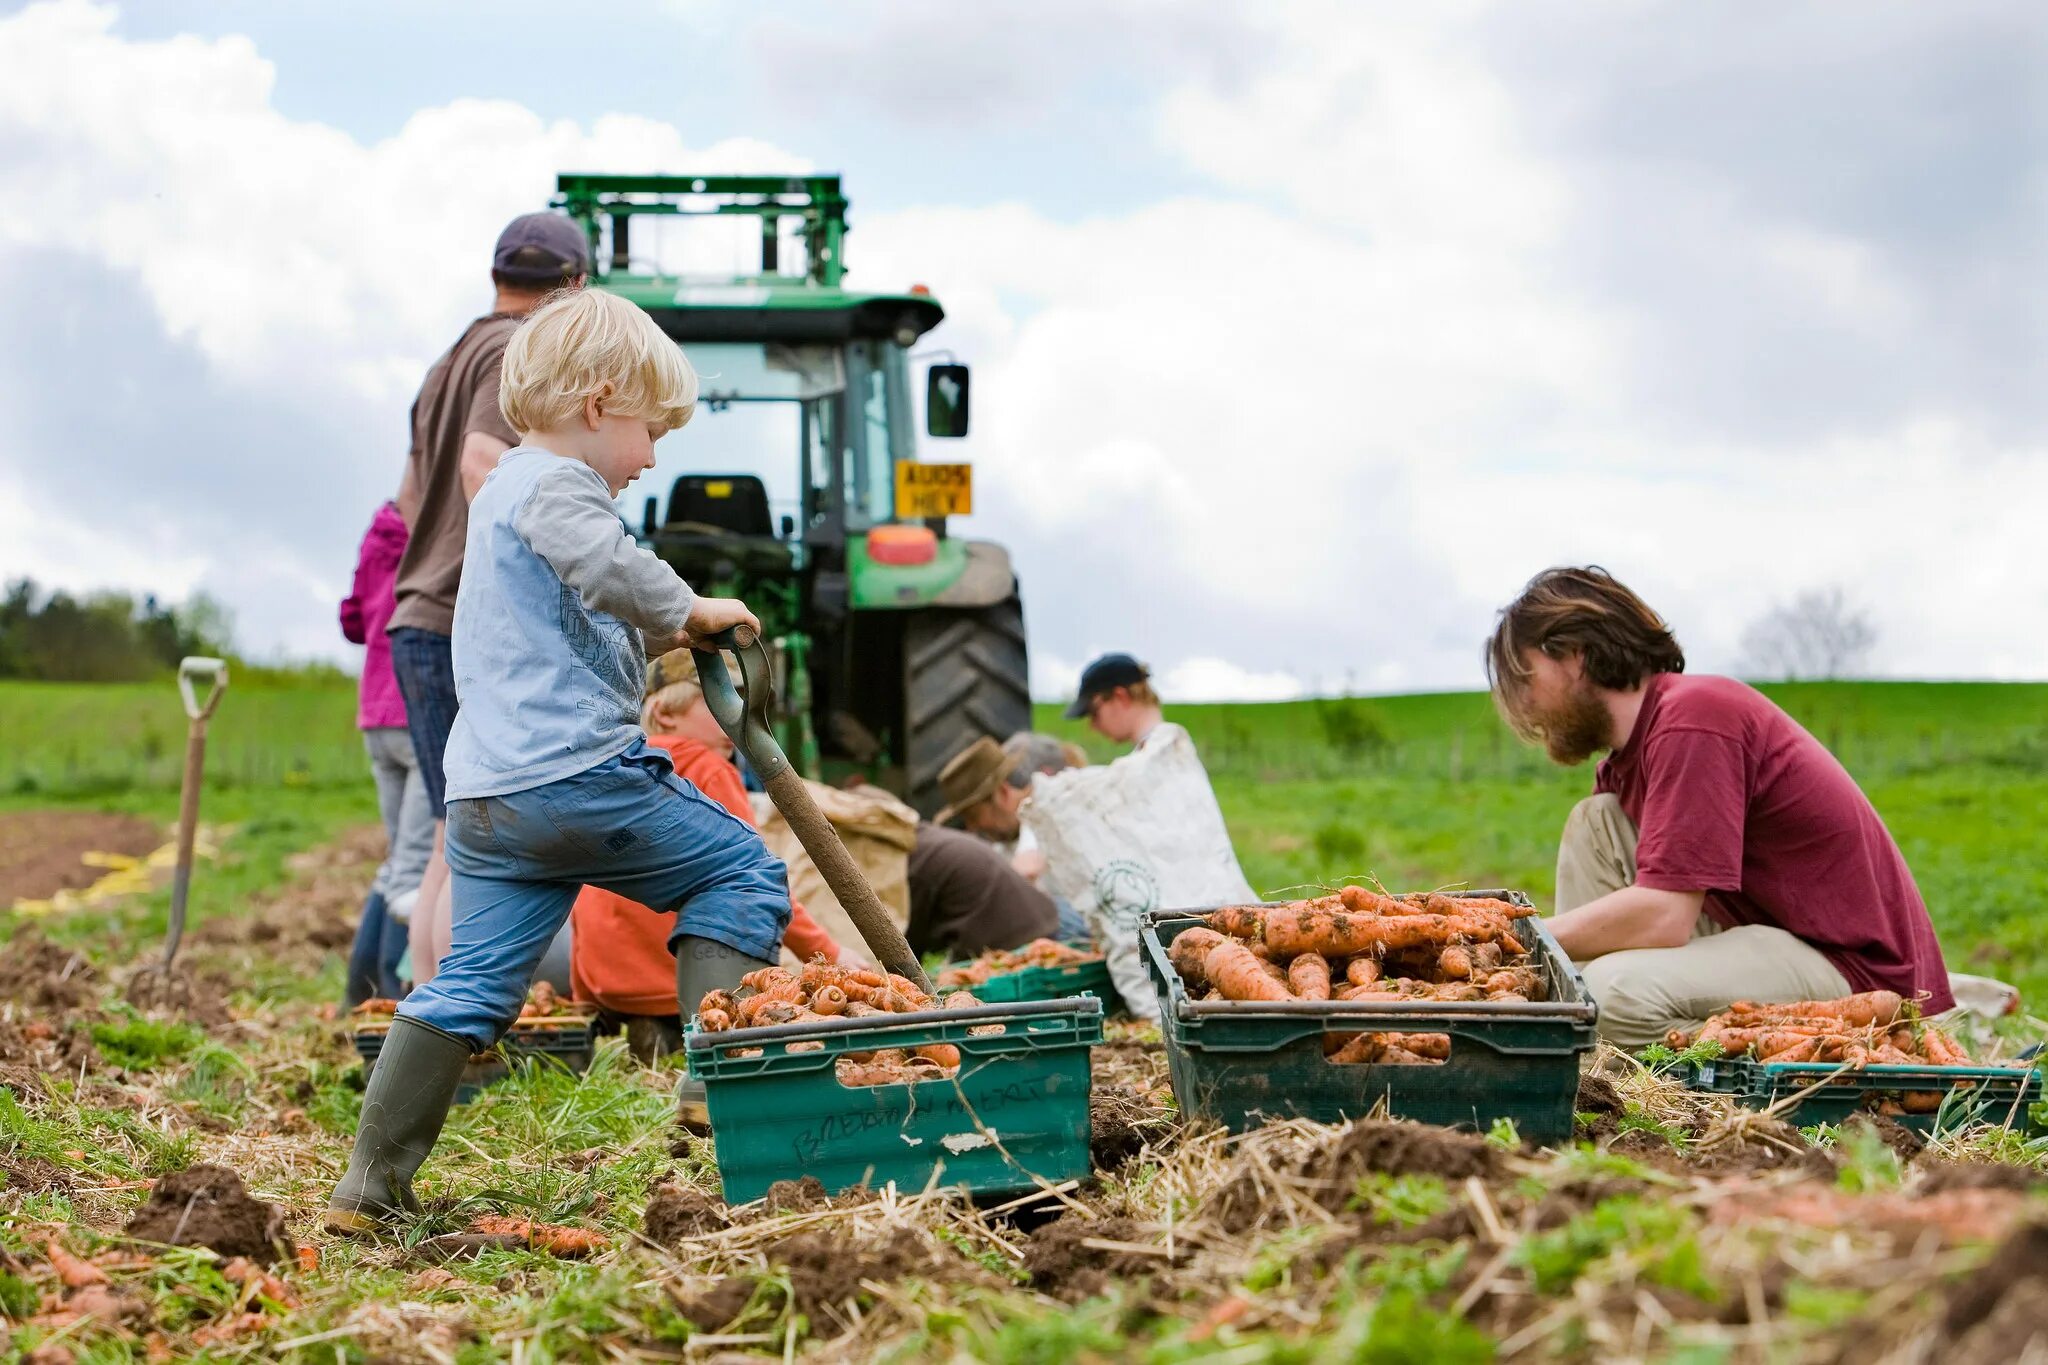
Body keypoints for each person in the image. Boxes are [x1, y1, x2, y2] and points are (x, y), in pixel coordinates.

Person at [326, 288, 780, 1234]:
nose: (652, 456)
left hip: (492, 801)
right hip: (576, 777)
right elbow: (608, 565)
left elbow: (572, 612)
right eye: (651, 430)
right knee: (743, 869)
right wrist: (692, 611)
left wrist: (653, 650)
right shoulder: (558, 486)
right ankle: (718, 1082)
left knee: (471, 983)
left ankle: (369, 1186)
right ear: (600, 401)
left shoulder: (499, 499)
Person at [1484, 566, 1953, 1048]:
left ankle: (1831, 1049)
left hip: (1848, 969)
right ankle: (1589, 1040)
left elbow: (1666, 915)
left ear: (1574, 656)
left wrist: (1517, 934)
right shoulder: (1626, 763)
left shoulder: (1694, 719)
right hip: (1762, 939)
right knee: (1595, 822)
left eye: (1525, 676)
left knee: (1611, 994)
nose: (1524, 702)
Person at [386, 211, 590, 986]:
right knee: (460, 838)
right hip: (453, 622)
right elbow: (481, 462)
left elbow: (411, 501)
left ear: (498, 276)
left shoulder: (452, 356)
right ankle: (452, 1023)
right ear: (574, 288)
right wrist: (516, 589)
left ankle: (435, 1016)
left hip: (419, 613)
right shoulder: (515, 349)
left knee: (449, 831)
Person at [570, 649, 863, 1063]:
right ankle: (707, 1043)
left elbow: (585, 889)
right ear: (666, 714)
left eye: (738, 701)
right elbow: (758, 879)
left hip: (611, 986)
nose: (735, 714)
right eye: (714, 700)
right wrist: (832, 954)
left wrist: (586, 996)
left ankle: (651, 1034)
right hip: (674, 984)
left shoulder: (614, 771)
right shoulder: (706, 769)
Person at [339, 500, 433, 1006]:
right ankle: (397, 996)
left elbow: (352, 620)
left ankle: (360, 994)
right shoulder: (440, 532)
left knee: (400, 859)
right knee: (417, 865)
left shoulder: (379, 533)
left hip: (375, 713)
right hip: (417, 708)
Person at [1065, 653, 1171, 750]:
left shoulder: (1160, 754)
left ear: (1120, 697)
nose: (1093, 726)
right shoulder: (1167, 745)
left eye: (1094, 712)